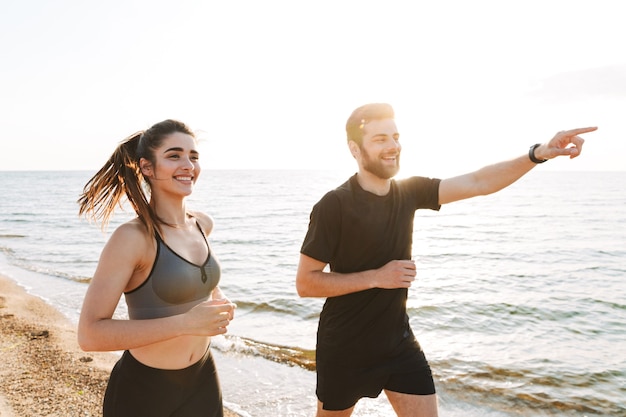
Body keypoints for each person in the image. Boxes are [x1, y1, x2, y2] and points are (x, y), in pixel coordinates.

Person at [296, 103, 597, 417]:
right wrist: (376, 277)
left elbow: (479, 182)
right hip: (346, 347)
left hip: (398, 342)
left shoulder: (409, 191)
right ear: (354, 149)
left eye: (396, 136)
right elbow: (306, 283)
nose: (393, 146)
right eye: (381, 138)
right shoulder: (334, 205)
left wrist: (538, 154)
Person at [77, 119, 236, 417]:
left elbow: (197, 281)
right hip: (144, 393)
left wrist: (218, 299)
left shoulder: (202, 224)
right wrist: (186, 324)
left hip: (203, 378)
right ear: (147, 168)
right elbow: (90, 335)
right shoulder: (132, 239)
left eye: (194, 156)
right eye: (174, 155)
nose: (188, 164)